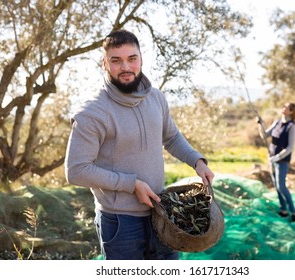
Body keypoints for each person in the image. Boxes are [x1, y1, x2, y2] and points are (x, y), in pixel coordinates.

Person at [64, 29, 214, 260]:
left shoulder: (156, 97)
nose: (126, 67)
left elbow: (171, 137)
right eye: (116, 60)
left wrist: (197, 161)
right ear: (104, 63)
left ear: (141, 59)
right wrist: (131, 184)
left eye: (132, 59)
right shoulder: (92, 112)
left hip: (163, 214)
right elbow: (76, 170)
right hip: (120, 222)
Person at [257, 103, 295, 223]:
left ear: (291, 112)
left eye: (286, 107)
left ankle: (293, 212)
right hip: (272, 158)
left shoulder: (292, 126)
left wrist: (277, 157)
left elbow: (290, 147)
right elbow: (265, 136)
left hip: (282, 161)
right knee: (276, 186)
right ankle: (283, 210)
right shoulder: (277, 122)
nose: (283, 108)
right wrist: (260, 125)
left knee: (281, 186)